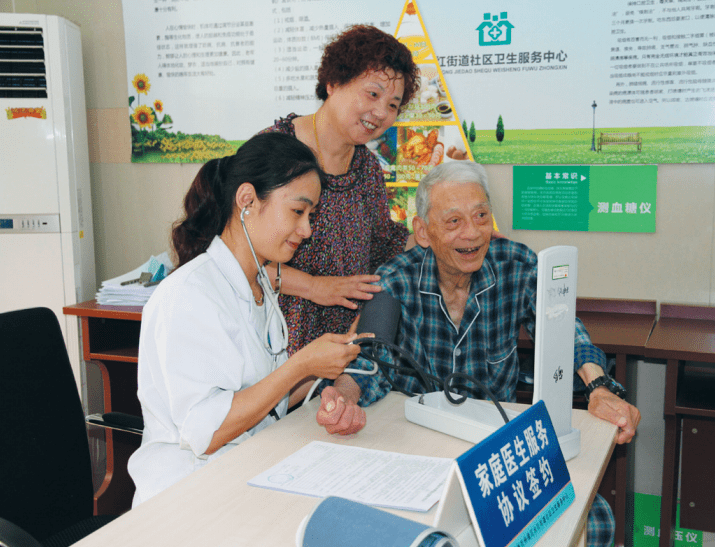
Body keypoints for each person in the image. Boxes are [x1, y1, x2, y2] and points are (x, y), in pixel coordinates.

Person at [314, 161, 641, 547]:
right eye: (453, 222)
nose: (472, 233)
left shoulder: (515, 264)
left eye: (481, 215)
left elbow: (563, 327)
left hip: (494, 448)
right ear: (422, 232)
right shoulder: (394, 279)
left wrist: (599, 387)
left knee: (595, 517)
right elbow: (368, 361)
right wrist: (344, 399)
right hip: (415, 447)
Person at [127, 133, 363, 505]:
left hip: (246, 473)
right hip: (187, 498)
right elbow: (207, 432)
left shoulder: (259, 288)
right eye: (298, 212)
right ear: (247, 200)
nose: (307, 230)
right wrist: (302, 364)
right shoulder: (191, 294)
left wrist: (324, 373)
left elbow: (265, 398)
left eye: (311, 215)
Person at [262, 25, 420, 374]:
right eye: (373, 94)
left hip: (344, 351)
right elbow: (237, 253)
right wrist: (315, 287)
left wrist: (435, 236)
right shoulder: (275, 150)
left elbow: (383, 245)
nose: (381, 112)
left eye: (393, 105)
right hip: (275, 346)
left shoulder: (366, 167)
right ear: (333, 83)